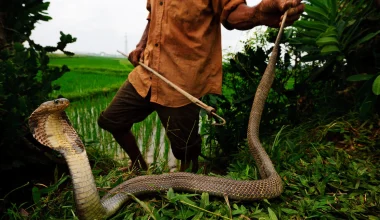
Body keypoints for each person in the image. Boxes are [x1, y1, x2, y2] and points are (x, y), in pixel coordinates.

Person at [98, 0, 304, 172]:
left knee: (185, 150)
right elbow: (153, 17)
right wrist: (141, 45)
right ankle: (138, 166)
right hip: (147, 73)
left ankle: (185, 189)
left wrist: (258, 14)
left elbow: (233, 13)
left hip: (182, 81)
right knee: (111, 120)